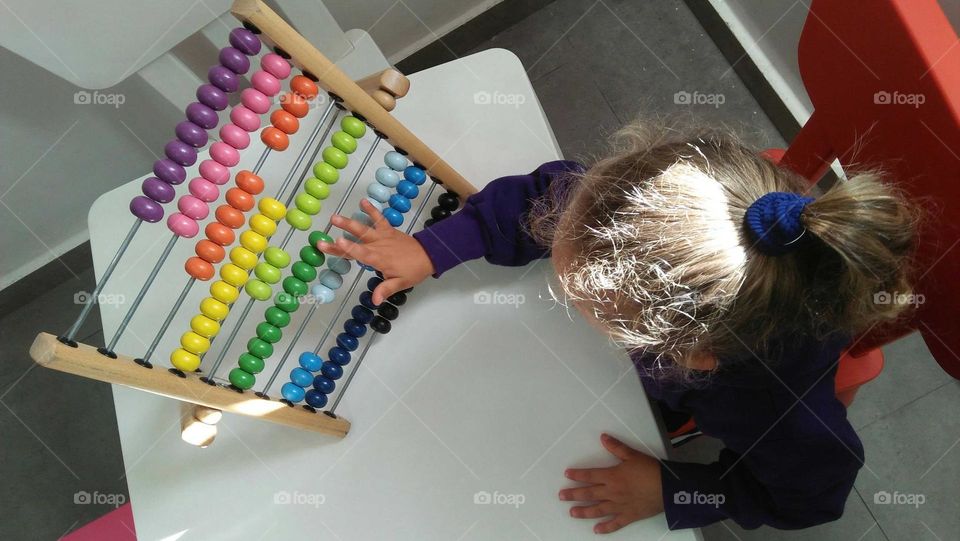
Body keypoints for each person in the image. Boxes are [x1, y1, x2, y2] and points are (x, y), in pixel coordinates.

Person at [316, 123, 917, 533]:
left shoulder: (774, 411)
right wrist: (435, 247)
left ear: (686, 355)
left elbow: (812, 499)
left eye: (589, 304)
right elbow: (542, 201)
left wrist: (677, 490)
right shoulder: (622, 212)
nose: (555, 224)